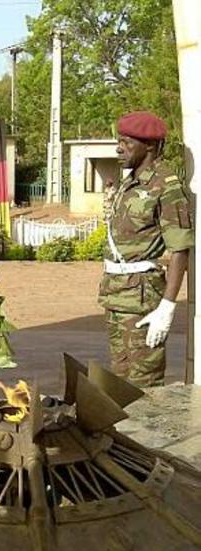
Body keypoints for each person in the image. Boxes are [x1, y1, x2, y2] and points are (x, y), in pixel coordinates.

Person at [98, 111, 194, 387]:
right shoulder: (129, 182)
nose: (119, 148)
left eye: (127, 142)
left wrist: (167, 306)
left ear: (149, 146)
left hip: (142, 299)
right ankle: (122, 432)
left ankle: (146, 432)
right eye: (119, 141)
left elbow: (180, 249)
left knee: (144, 386)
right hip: (115, 295)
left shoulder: (165, 185)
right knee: (119, 382)